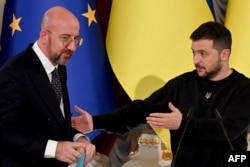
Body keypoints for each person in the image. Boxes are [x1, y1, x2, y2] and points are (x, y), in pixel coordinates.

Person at [72, 21, 250, 167]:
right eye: (194, 53)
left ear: (224, 54)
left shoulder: (243, 88)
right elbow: (139, 111)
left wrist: (182, 124)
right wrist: (95, 122)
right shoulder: (181, 85)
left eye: (203, 54)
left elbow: (228, 130)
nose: (196, 60)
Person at [0, 6, 95, 167]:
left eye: (76, 39)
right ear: (44, 36)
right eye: (65, 38)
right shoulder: (15, 73)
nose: (72, 47)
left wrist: (79, 138)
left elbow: (53, 124)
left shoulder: (59, 67)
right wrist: (54, 149)